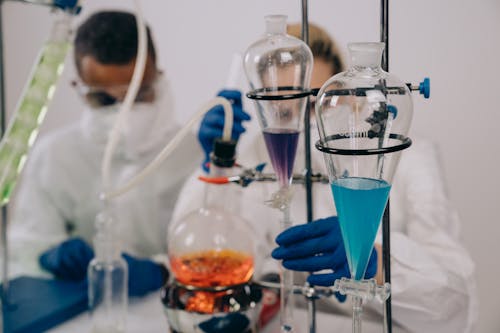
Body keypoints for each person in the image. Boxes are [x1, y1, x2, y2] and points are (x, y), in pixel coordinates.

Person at [174, 22, 477, 332]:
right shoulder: (259, 158)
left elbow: (456, 304)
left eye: (315, 103)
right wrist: (218, 164)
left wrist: (377, 263)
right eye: (283, 111)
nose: (303, 124)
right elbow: (201, 252)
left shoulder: (407, 157)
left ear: (346, 97)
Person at [8, 11, 202, 297]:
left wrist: (162, 270)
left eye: (139, 94)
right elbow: (22, 246)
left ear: (158, 77)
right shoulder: (54, 155)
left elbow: (219, 250)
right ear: (79, 88)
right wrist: (47, 255)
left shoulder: (195, 153)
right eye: (104, 99)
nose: (124, 112)